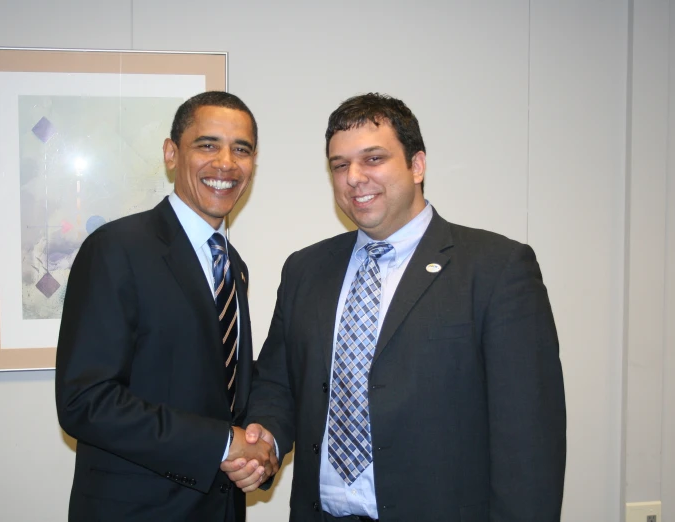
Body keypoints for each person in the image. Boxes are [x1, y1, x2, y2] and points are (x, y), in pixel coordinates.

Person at [223, 93, 566, 521]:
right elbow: (278, 383)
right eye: (340, 165)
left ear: (417, 165)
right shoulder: (305, 269)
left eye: (373, 159)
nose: (354, 178)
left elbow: (530, 440)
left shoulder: (496, 269)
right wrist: (266, 442)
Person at [55, 91, 277, 522]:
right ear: (171, 153)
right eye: (207, 144)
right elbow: (85, 401)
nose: (226, 163)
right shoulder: (115, 249)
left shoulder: (233, 266)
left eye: (242, 149)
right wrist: (223, 444)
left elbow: (225, 389)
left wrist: (259, 453)